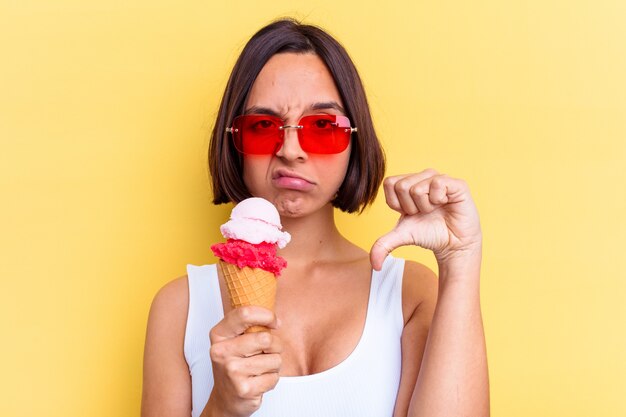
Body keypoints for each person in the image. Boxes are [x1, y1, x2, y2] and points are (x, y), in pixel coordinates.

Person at [141, 18, 489, 417]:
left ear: (354, 141)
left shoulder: (409, 295)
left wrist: (460, 260)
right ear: (234, 140)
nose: (290, 149)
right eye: (262, 125)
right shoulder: (179, 308)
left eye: (323, 125)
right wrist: (220, 407)